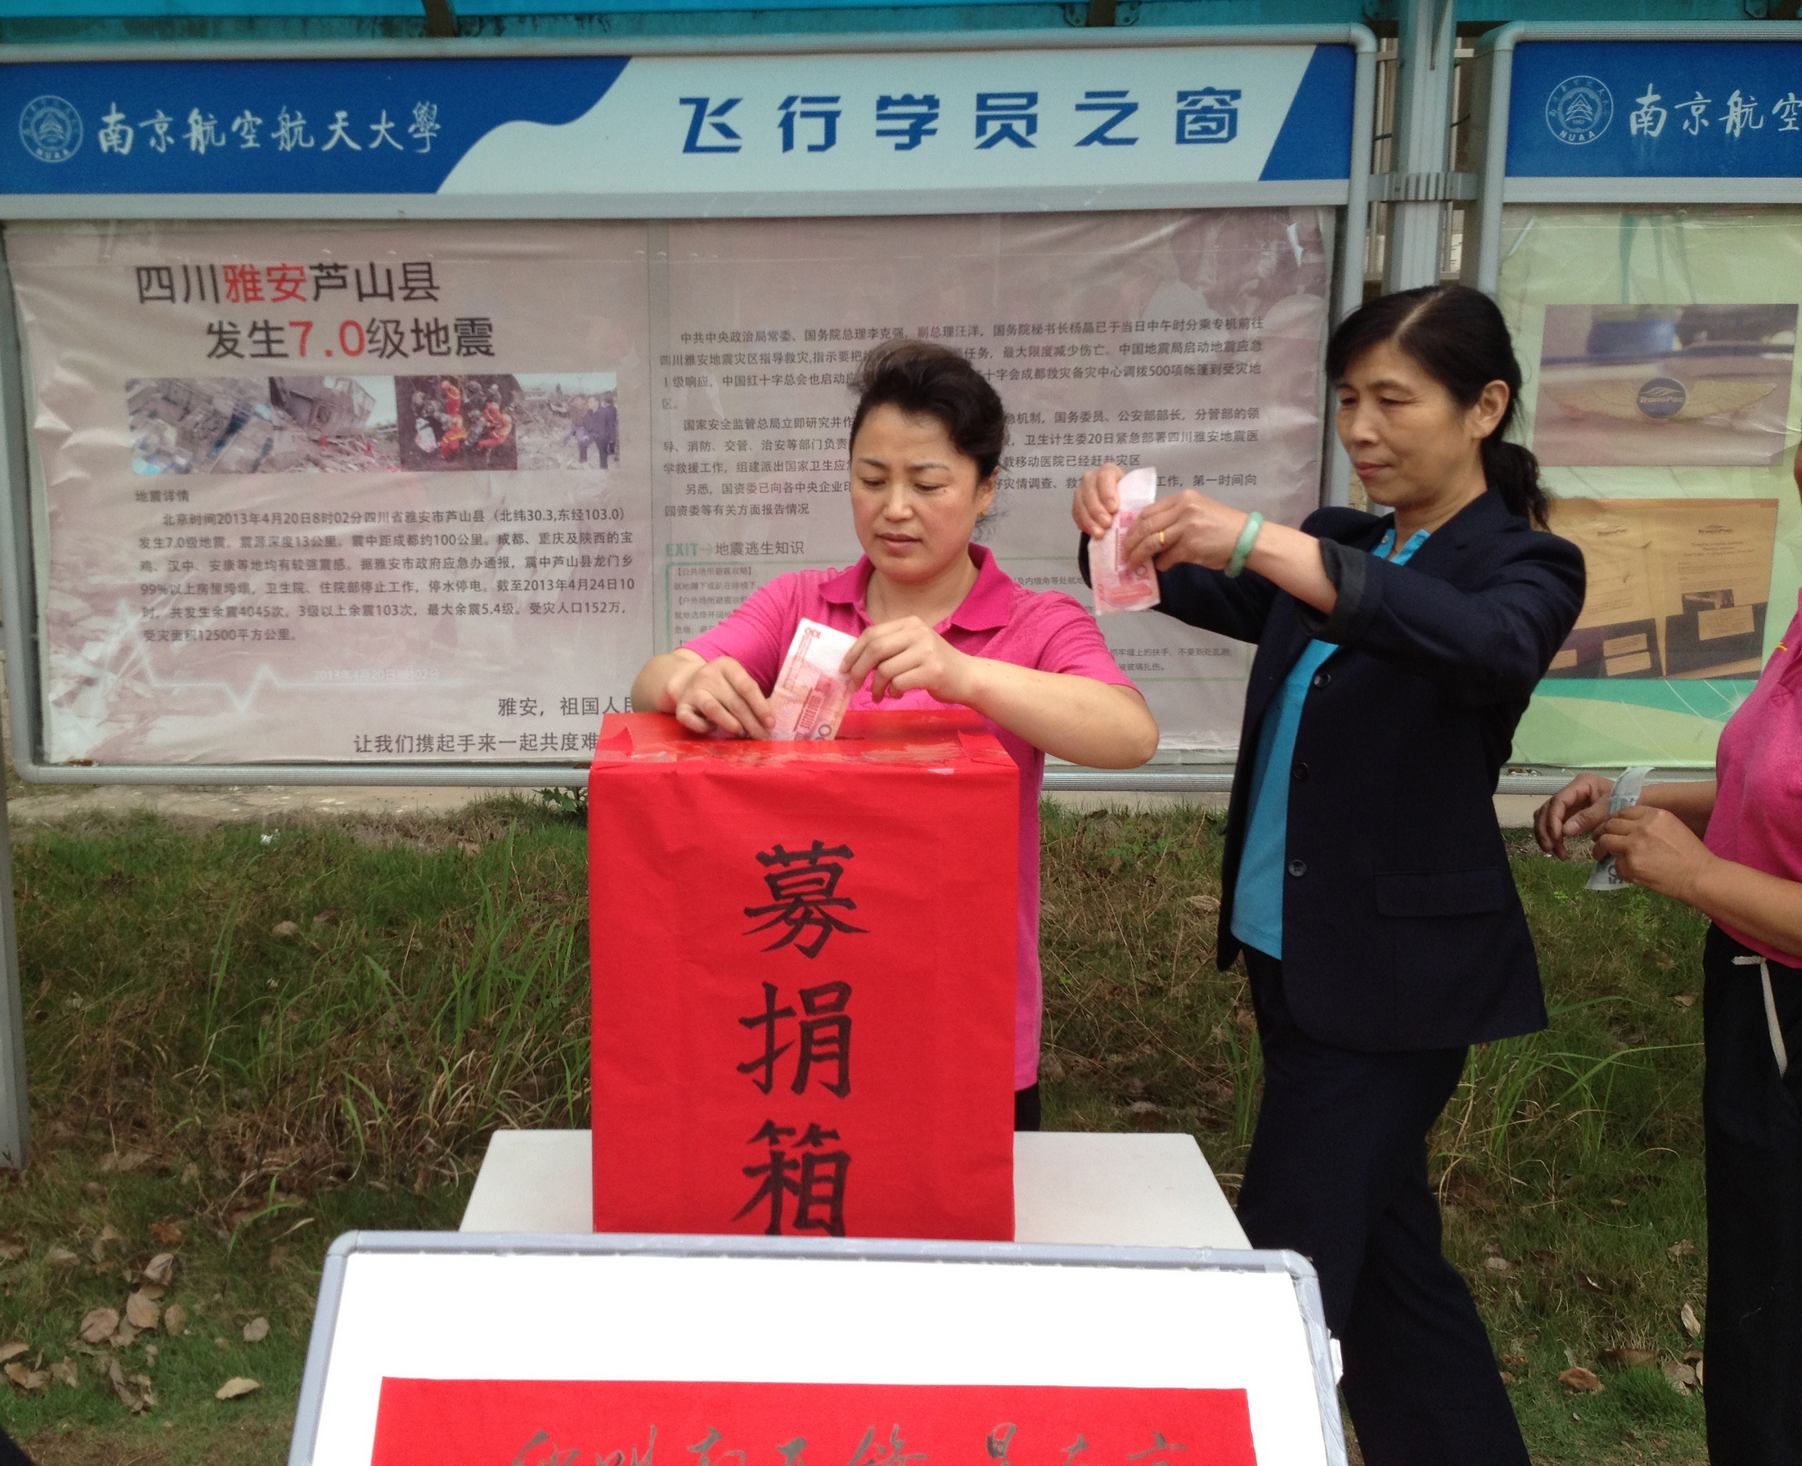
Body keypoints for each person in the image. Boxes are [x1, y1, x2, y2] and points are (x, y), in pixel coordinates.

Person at [1071, 283, 1585, 1465]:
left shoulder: (1522, 564)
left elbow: (1481, 642)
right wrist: (1107, 521)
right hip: (1294, 955)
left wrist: (1261, 537)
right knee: (1393, 1269)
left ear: (1483, 406)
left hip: (1394, 983)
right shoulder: (1349, 538)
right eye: (1347, 398)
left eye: (1392, 400)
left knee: (1283, 1261)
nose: (1361, 427)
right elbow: (1188, 580)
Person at [634, 338, 1158, 1128]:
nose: (895, 508)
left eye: (928, 483)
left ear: (985, 489)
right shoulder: (798, 604)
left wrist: (965, 675)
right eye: (872, 480)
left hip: (963, 1012)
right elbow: (656, 678)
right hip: (801, 998)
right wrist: (686, 684)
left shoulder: (1036, 623)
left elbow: (1129, 732)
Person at [1534, 442, 1802, 1466]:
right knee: (1757, 1310)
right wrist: (1636, 798)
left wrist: (1696, 876)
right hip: (1751, 999)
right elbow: (1768, 783)